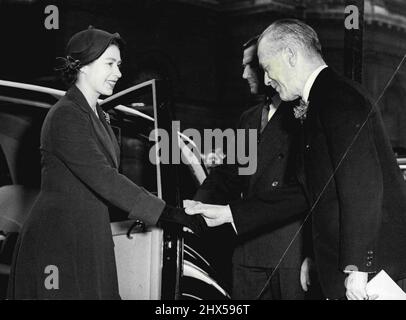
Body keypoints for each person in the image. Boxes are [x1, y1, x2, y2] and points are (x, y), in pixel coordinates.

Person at [186, 19, 406, 300]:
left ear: (290, 55)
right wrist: (229, 213)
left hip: (373, 274)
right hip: (357, 269)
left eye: (267, 68)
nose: (266, 80)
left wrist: (357, 269)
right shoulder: (320, 100)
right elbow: (304, 191)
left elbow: (363, 187)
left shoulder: (337, 97)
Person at [7, 27, 206, 300]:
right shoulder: (66, 115)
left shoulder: (99, 115)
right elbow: (104, 178)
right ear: (83, 67)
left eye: (119, 65)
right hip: (60, 238)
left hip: (87, 232)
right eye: (110, 64)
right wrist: (168, 213)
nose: (119, 73)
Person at [189, 36, 309, 300]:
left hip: (291, 252)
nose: (244, 74)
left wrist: (311, 255)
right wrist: (195, 208)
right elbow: (229, 173)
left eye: (250, 66)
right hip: (247, 250)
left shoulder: (305, 113)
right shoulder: (249, 117)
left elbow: (310, 191)